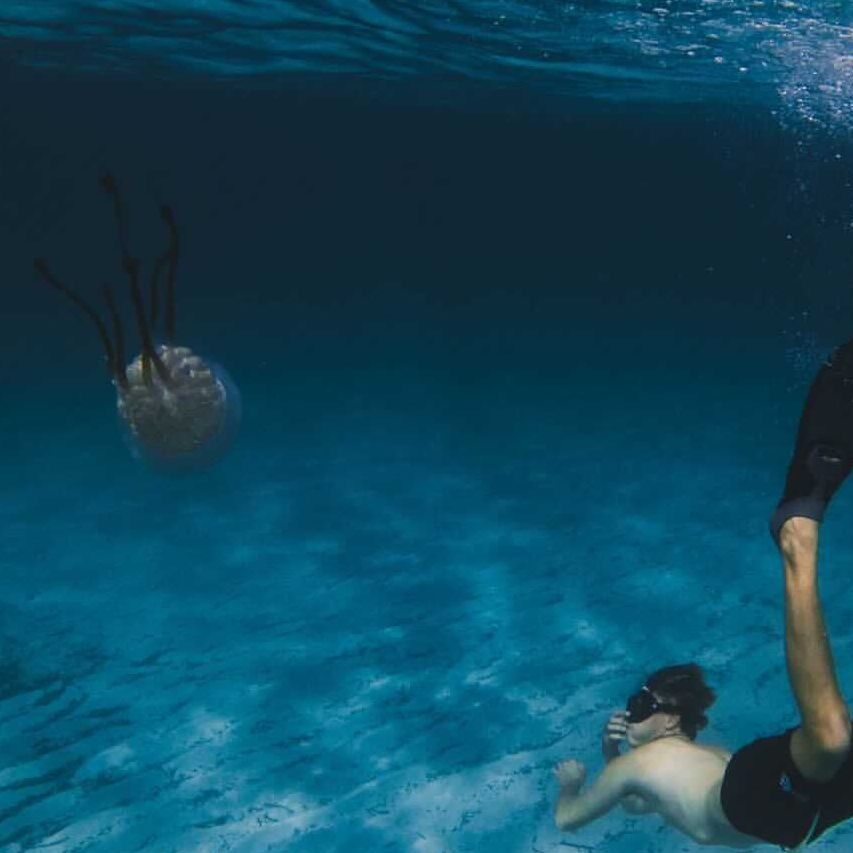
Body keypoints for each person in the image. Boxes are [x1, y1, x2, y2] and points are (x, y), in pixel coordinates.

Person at [554, 340, 853, 849]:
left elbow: (570, 820)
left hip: (752, 801)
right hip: (798, 817)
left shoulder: (649, 762)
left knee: (829, 736)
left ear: (672, 719)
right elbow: (638, 805)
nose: (633, 712)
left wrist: (572, 786)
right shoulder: (683, 758)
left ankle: (796, 540)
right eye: (636, 702)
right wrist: (611, 756)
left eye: (641, 703)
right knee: (833, 749)